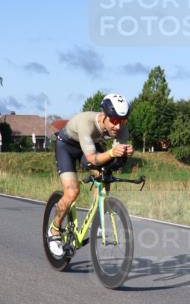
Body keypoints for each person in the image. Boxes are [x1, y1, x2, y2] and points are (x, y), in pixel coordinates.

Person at [47, 93, 134, 254]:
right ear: (104, 116)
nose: (118, 126)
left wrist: (124, 154)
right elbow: (93, 159)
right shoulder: (86, 122)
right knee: (72, 191)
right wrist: (113, 153)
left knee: (105, 176)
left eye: (122, 121)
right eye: (114, 121)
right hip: (67, 147)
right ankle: (54, 229)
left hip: (88, 147)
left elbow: (115, 163)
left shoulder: (121, 128)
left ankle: (96, 222)